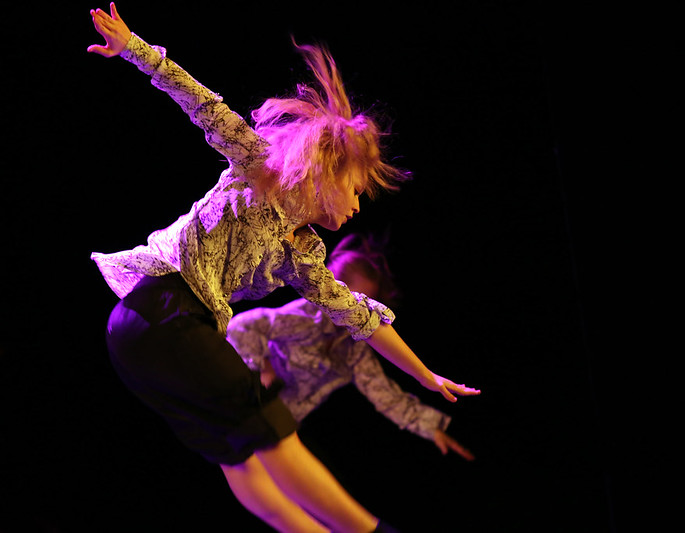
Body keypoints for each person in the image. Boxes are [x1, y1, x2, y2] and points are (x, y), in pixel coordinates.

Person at [87, 4, 480, 532]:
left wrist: (425, 375)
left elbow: (359, 316)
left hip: (148, 342)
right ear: (327, 172)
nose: (357, 206)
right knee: (271, 428)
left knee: (240, 458)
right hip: (160, 308)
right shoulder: (256, 165)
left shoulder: (304, 255)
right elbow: (199, 101)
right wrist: (133, 48)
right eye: (356, 191)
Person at [228, 233, 475, 461]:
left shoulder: (354, 350)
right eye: (348, 299)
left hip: (277, 427)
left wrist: (432, 429)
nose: (352, 310)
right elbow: (242, 326)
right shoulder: (305, 316)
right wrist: (261, 370)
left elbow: (387, 396)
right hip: (245, 404)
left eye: (361, 304)